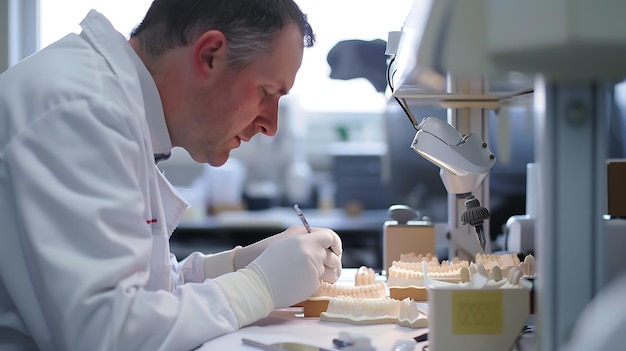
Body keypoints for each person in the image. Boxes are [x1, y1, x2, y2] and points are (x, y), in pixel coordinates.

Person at [0, 0, 343, 350]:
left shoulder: (117, 106)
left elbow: (148, 291)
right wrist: (259, 285)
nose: (271, 125)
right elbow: (106, 333)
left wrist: (237, 263)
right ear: (210, 55)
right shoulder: (79, 111)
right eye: (266, 93)